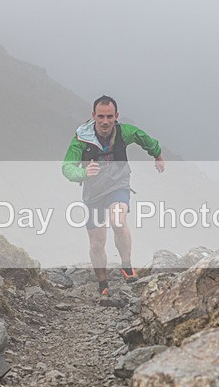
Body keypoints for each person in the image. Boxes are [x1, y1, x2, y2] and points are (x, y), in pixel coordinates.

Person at [62, 95, 165, 298]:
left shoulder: (124, 132)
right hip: (93, 193)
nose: (105, 121)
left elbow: (142, 138)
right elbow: (67, 167)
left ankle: (126, 265)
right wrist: (83, 173)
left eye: (109, 116)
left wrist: (158, 155)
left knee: (117, 221)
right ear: (93, 116)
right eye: (101, 116)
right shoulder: (81, 139)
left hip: (119, 184)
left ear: (116, 116)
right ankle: (103, 284)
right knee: (96, 243)